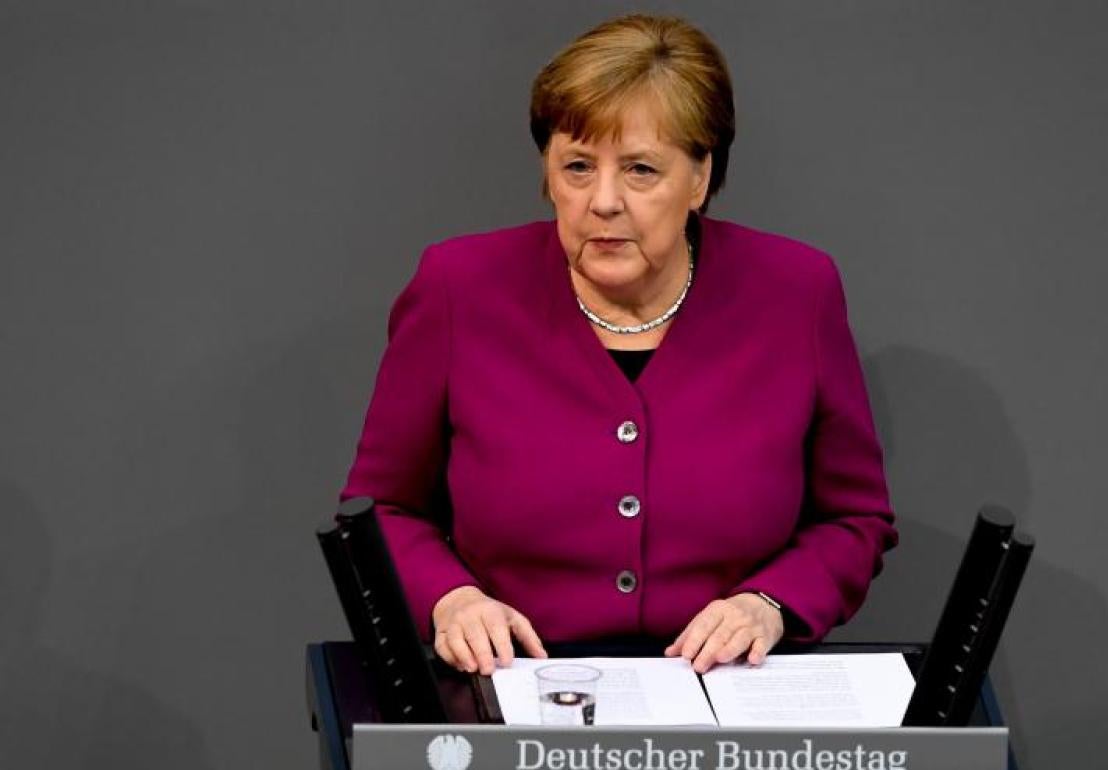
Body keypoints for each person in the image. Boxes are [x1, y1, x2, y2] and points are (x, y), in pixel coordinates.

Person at [340, 14, 897, 678]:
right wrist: (451, 600)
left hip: (728, 693)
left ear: (699, 177)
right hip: (520, 683)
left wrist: (769, 604)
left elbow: (855, 518)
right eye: (577, 167)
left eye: (640, 170)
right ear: (547, 174)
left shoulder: (797, 292)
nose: (603, 201)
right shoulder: (458, 289)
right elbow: (382, 510)